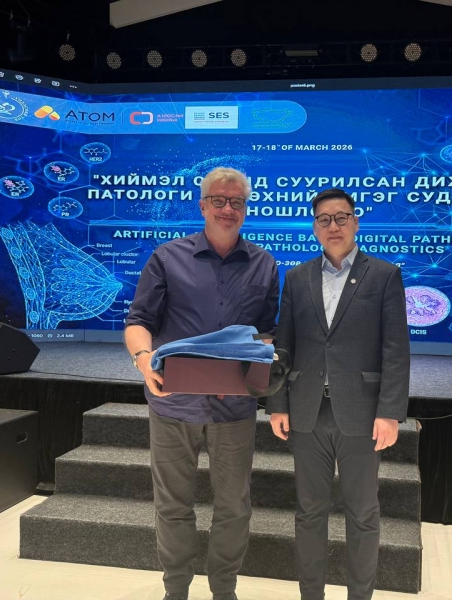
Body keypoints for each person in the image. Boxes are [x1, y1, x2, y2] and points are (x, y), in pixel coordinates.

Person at [125, 167, 279, 600]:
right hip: (173, 402)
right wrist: (144, 361)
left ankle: (223, 591)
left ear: (245, 208)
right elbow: (139, 321)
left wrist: (258, 363)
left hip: (235, 407)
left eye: (237, 202)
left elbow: (265, 332)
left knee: (234, 507)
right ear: (203, 205)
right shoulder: (167, 257)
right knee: (173, 505)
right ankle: (175, 591)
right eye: (219, 200)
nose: (228, 209)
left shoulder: (264, 264)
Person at [266, 188, 411, 600]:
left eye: (341, 217)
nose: (333, 225)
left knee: (362, 513)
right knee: (309, 512)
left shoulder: (383, 275)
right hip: (306, 411)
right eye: (324, 219)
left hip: (362, 413)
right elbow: (284, 347)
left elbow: (395, 349)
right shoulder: (297, 277)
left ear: (356, 222)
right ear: (314, 227)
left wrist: (390, 412)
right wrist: (276, 404)